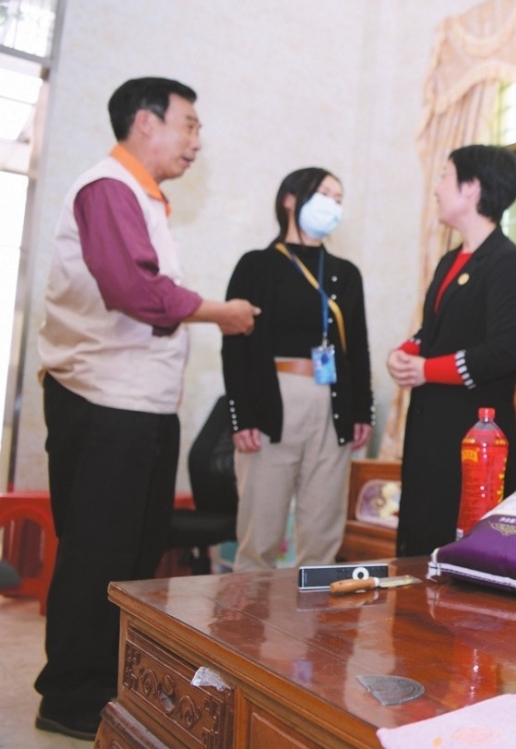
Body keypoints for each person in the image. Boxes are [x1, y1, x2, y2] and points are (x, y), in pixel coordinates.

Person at [34, 77, 258, 741]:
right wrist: (219, 312)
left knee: (135, 552)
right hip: (103, 402)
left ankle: (114, 680)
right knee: (98, 551)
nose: (197, 141)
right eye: (189, 124)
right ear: (145, 122)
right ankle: (70, 693)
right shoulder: (108, 188)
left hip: (141, 406)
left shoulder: (145, 199)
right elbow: (132, 288)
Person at [222, 168, 374, 571]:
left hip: (332, 402)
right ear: (290, 199)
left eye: (339, 198)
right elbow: (234, 346)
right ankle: (248, 614)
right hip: (273, 400)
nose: (333, 204)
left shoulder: (346, 273)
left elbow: (357, 347)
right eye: (324, 193)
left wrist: (363, 410)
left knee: (322, 535)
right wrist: (241, 416)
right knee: (260, 537)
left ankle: (313, 614)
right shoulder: (256, 265)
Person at [388, 145, 516, 557]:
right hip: (430, 431)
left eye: (445, 177)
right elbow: (433, 332)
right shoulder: (450, 259)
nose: (437, 188)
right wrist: (404, 354)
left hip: (474, 434)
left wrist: (425, 370)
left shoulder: (507, 262)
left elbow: (501, 352)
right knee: (418, 545)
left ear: (471, 188)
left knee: (462, 551)